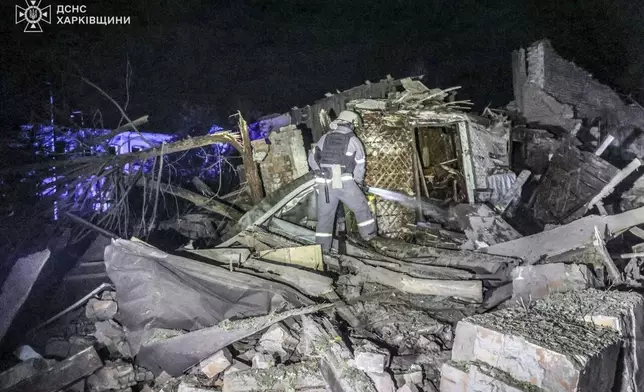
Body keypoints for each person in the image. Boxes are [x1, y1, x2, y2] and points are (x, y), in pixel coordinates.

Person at [307, 110, 376, 252]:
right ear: (351, 124)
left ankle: (321, 250)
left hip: (324, 184)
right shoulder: (353, 140)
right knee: (361, 207)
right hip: (343, 182)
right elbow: (360, 165)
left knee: (325, 218)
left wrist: (319, 170)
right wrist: (358, 183)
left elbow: (312, 158)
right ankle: (370, 238)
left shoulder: (324, 137)